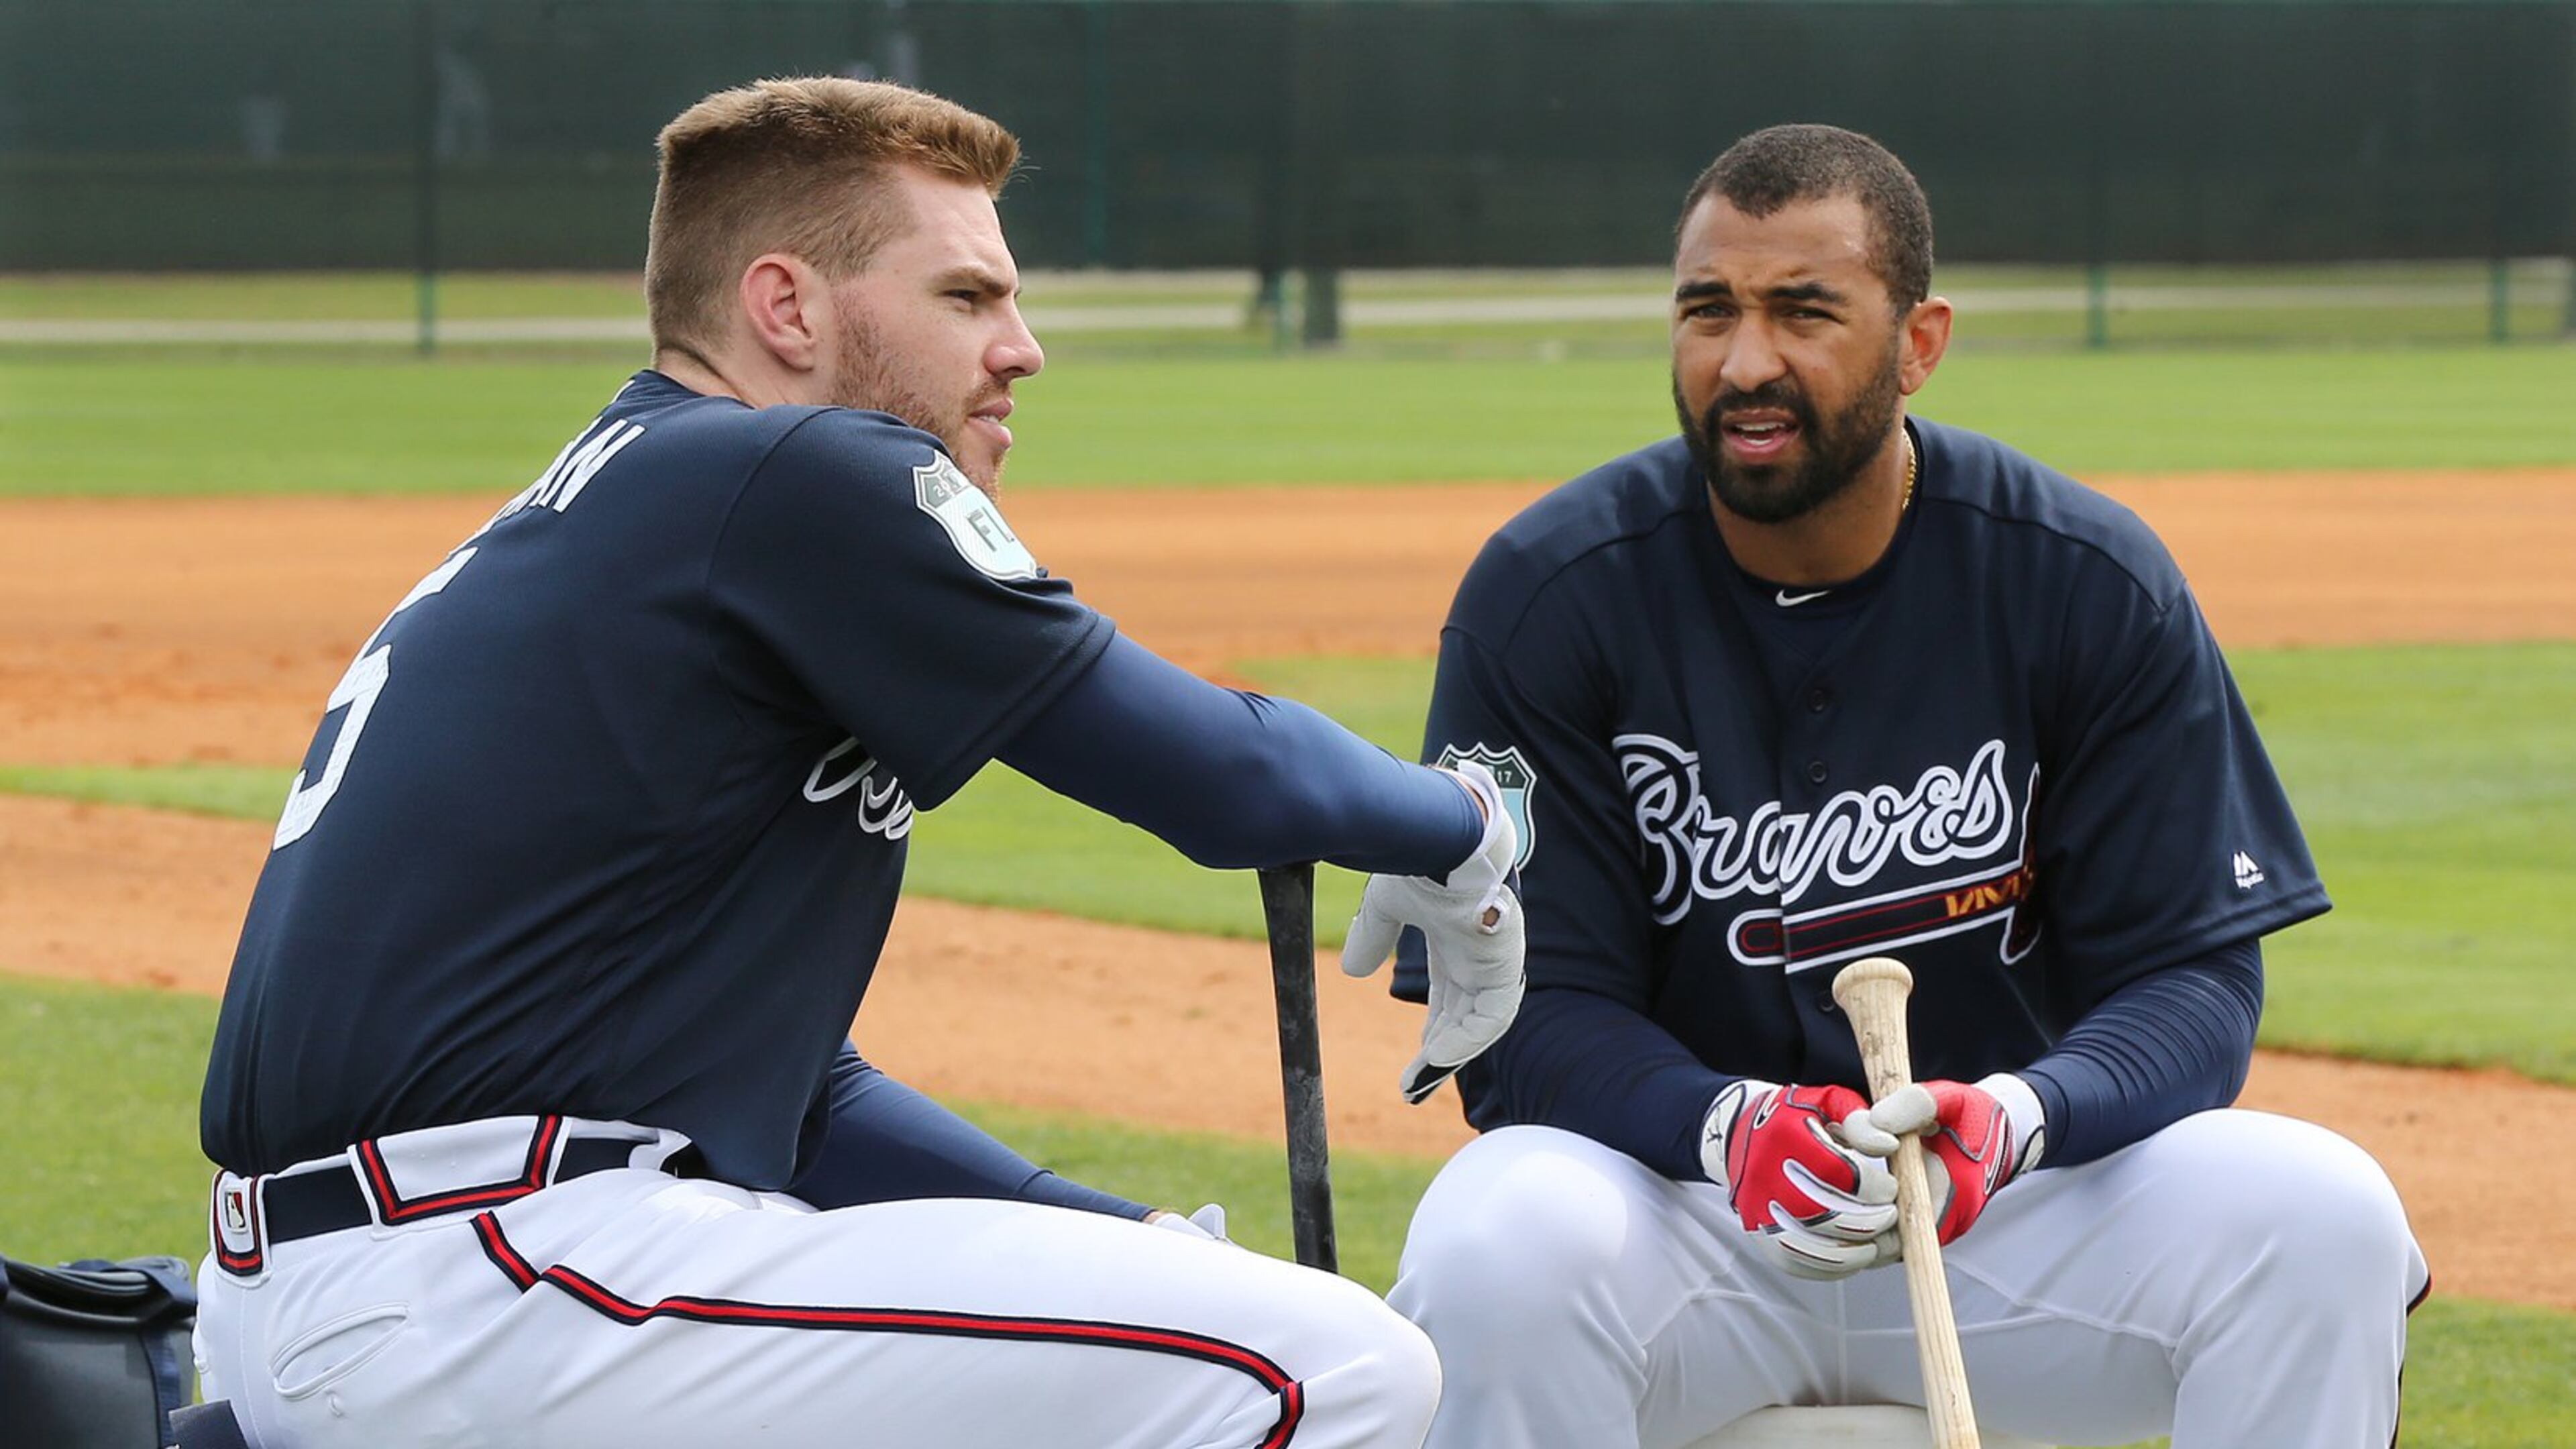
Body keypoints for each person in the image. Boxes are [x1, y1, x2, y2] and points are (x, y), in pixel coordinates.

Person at [193, 78, 1523, 1449]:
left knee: (1187, 1333)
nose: (1024, 349)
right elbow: (1223, 778)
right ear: (788, 308)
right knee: (1337, 1369)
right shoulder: (792, 475)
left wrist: (1112, 1235)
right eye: (966, 298)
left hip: (373, 1289)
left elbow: (791, 1094)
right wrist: (1463, 823)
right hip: (500, 1278)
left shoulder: (635, 503)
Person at [1382, 125, 2427, 1449]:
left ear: (1919, 342)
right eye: (1710, 311)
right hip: (1681, 1219)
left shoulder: (2079, 579)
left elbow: (2197, 985)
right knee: (1498, 1235)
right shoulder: (1550, 596)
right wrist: (1730, 1125)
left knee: (2322, 1212)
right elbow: (1513, 1020)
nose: (1745, 361)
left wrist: (2016, 1118)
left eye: (1804, 312)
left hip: (2000, 1215)